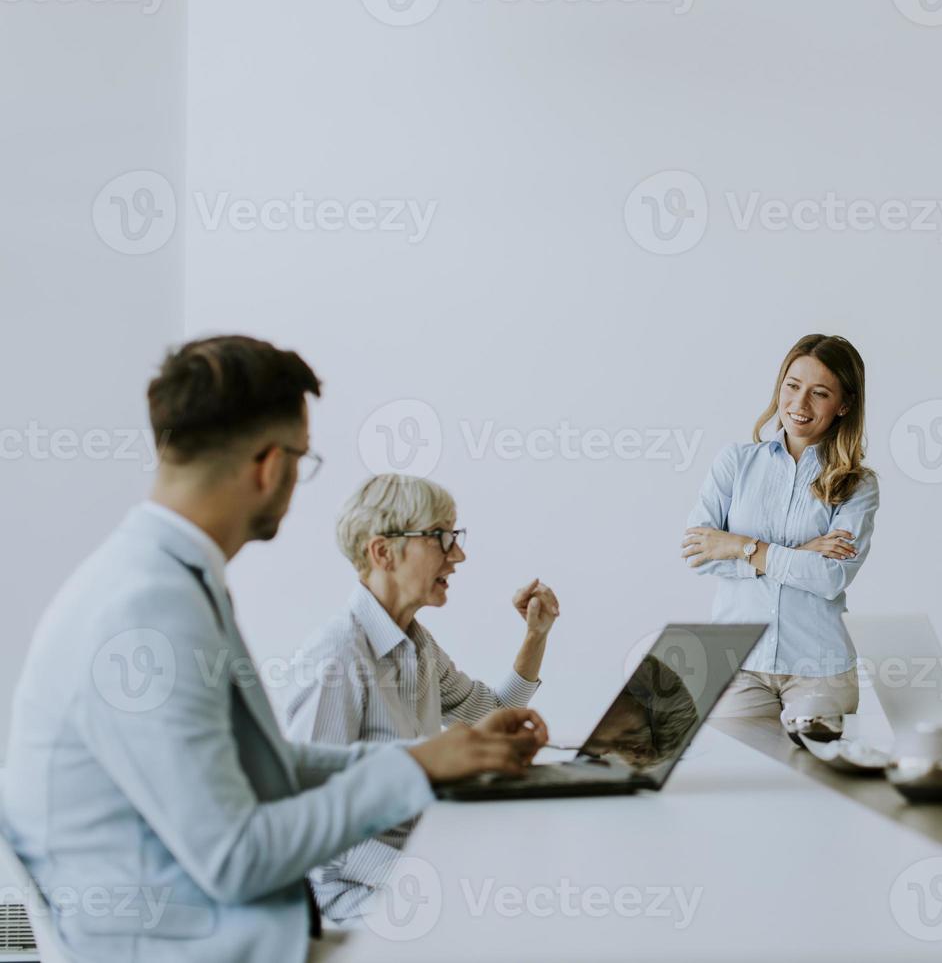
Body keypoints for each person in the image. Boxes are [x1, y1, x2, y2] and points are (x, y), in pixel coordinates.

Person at [0, 336, 546, 963]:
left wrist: (435, 754)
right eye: (301, 460)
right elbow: (237, 858)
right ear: (268, 465)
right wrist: (416, 768)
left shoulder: (165, 577)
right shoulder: (150, 609)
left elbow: (268, 767)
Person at [282, 473, 560, 921]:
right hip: (349, 897)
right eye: (441, 537)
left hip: (419, 865)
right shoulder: (338, 657)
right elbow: (312, 825)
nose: (459, 554)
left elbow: (492, 715)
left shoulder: (416, 645)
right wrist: (426, 880)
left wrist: (536, 636)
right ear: (383, 552)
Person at [683, 333, 878, 719]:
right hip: (736, 662)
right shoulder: (735, 463)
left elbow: (830, 578)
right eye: (792, 386)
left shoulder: (858, 483)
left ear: (844, 405)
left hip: (820, 669)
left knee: (816, 777)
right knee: (739, 777)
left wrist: (739, 545)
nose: (800, 403)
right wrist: (799, 553)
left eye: (820, 393)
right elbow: (699, 552)